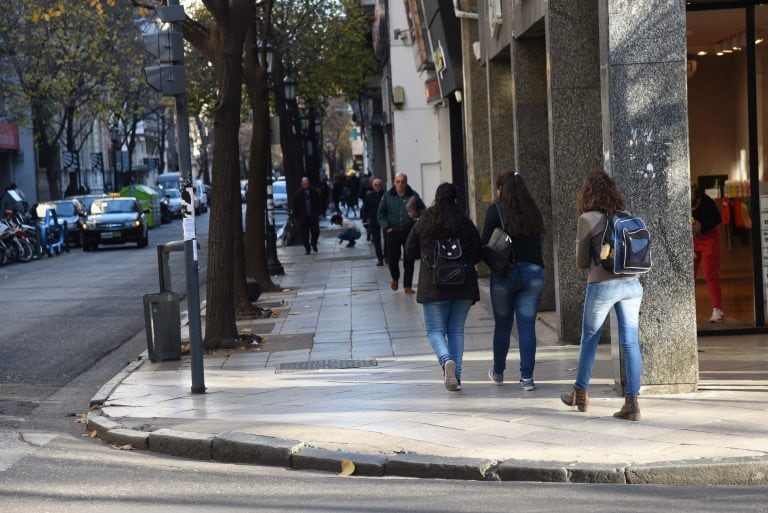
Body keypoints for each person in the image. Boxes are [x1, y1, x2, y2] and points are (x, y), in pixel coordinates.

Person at [561, 170, 644, 421]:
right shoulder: (628, 217)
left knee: (590, 338)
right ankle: (632, 402)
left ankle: (581, 392)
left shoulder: (587, 219)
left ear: (588, 194)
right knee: (630, 342)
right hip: (632, 285)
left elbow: (581, 261)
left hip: (602, 285)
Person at [405, 183, 482, 391]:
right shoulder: (465, 223)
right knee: (456, 331)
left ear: (436, 199)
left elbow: (410, 251)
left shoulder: (424, 221)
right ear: (456, 200)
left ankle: (446, 359)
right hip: (463, 285)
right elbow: (477, 253)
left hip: (434, 286)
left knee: (434, 330)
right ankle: (455, 376)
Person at [482, 172, 545, 391]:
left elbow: (485, 244)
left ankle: (498, 372)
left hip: (505, 274)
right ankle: (527, 378)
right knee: (527, 327)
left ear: (501, 189)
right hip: (534, 272)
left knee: (503, 325)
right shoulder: (533, 211)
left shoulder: (495, 210)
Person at [377, 173, 425, 294]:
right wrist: (386, 227)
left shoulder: (413, 195)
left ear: (406, 182)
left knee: (409, 258)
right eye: (398, 181)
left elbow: (423, 210)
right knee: (393, 258)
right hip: (393, 231)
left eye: (402, 181)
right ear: (394, 182)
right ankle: (395, 278)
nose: (400, 184)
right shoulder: (387, 196)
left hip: (409, 231)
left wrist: (416, 214)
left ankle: (407, 285)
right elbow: (380, 214)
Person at [691, 184, 724, 323]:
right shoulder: (680, 200)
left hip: (709, 239)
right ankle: (684, 310)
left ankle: (717, 310)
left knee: (710, 275)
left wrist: (701, 226)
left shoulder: (706, 201)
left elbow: (718, 219)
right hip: (692, 240)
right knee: (688, 276)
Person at [291, 176, 322, 255]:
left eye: (307, 184)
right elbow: (295, 206)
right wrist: (295, 217)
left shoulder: (314, 192)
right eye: (304, 184)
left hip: (313, 215)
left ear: (309, 183)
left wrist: (320, 213)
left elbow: (319, 203)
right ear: (302, 184)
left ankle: (314, 243)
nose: (306, 186)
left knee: (316, 231)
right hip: (303, 217)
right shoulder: (297, 194)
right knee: (304, 235)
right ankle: (307, 248)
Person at [362, 178, 385, 265]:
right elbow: (365, 209)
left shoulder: (385, 195)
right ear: (372, 186)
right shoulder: (369, 196)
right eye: (375, 185)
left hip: (384, 220)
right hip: (373, 220)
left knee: (387, 239)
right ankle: (380, 259)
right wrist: (364, 220)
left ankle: (386, 256)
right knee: (376, 240)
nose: (378, 186)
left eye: (379, 185)